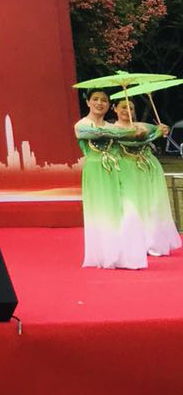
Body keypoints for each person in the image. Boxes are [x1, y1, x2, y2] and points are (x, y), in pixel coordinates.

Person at [74, 88, 149, 270]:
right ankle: (108, 255)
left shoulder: (112, 127)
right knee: (104, 213)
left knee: (129, 211)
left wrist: (152, 132)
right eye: (95, 99)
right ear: (88, 102)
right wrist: (128, 131)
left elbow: (137, 140)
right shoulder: (81, 125)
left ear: (109, 105)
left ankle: (127, 255)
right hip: (96, 172)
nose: (100, 103)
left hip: (118, 171)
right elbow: (100, 134)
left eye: (104, 100)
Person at [114, 97, 181, 258]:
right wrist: (145, 136)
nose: (127, 111)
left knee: (152, 205)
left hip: (149, 168)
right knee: (131, 206)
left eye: (130, 108)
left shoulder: (142, 126)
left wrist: (162, 129)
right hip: (126, 170)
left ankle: (152, 242)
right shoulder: (112, 129)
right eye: (123, 107)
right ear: (115, 108)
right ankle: (132, 243)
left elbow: (159, 129)